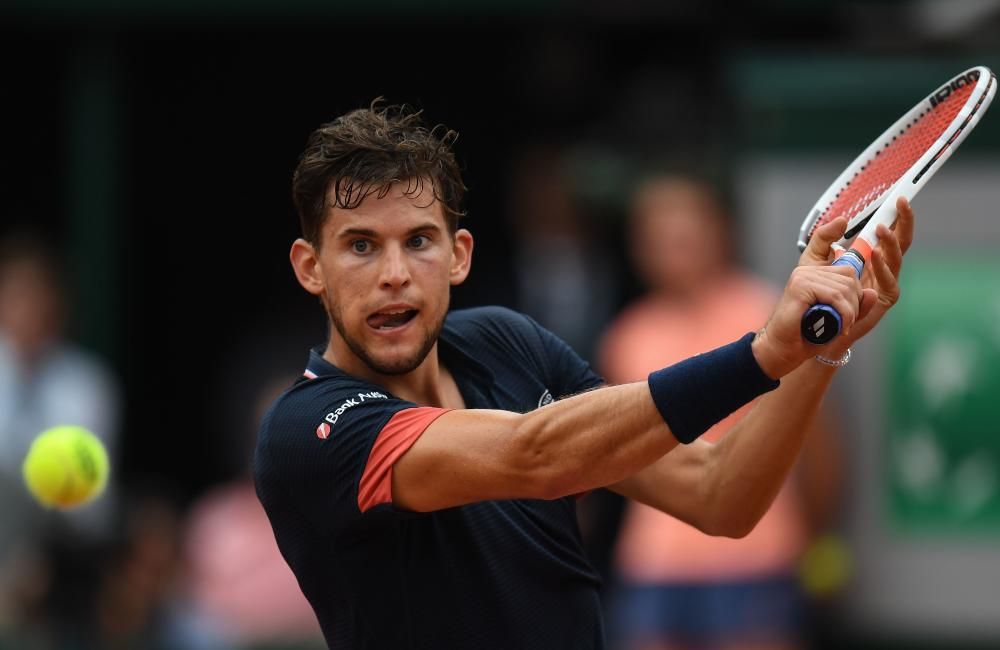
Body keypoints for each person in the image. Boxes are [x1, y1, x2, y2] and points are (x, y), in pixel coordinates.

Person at [253, 101, 913, 650]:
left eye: (419, 240)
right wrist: (763, 353)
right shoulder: (308, 431)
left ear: (458, 256)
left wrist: (813, 354)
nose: (394, 271)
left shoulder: (507, 342)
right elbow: (534, 456)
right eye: (361, 245)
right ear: (311, 267)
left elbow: (720, 494)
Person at [600, 175, 842, 650]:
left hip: (755, 559)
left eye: (686, 236)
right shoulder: (626, 334)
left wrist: (813, 540)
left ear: (720, 234)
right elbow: (610, 454)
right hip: (652, 566)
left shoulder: (769, 311)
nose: (673, 251)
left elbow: (816, 443)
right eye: (659, 240)